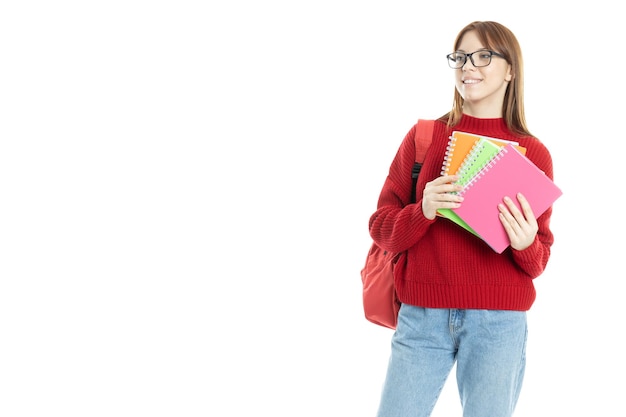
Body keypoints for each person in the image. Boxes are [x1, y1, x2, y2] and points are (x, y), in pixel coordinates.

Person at [369, 21, 556, 417]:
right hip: (422, 316)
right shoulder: (425, 137)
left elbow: (538, 260)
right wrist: (423, 211)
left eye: (483, 56)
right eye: (461, 57)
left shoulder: (533, 153)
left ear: (511, 70)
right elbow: (380, 227)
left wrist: (525, 244)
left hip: (498, 324)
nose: (468, 66)